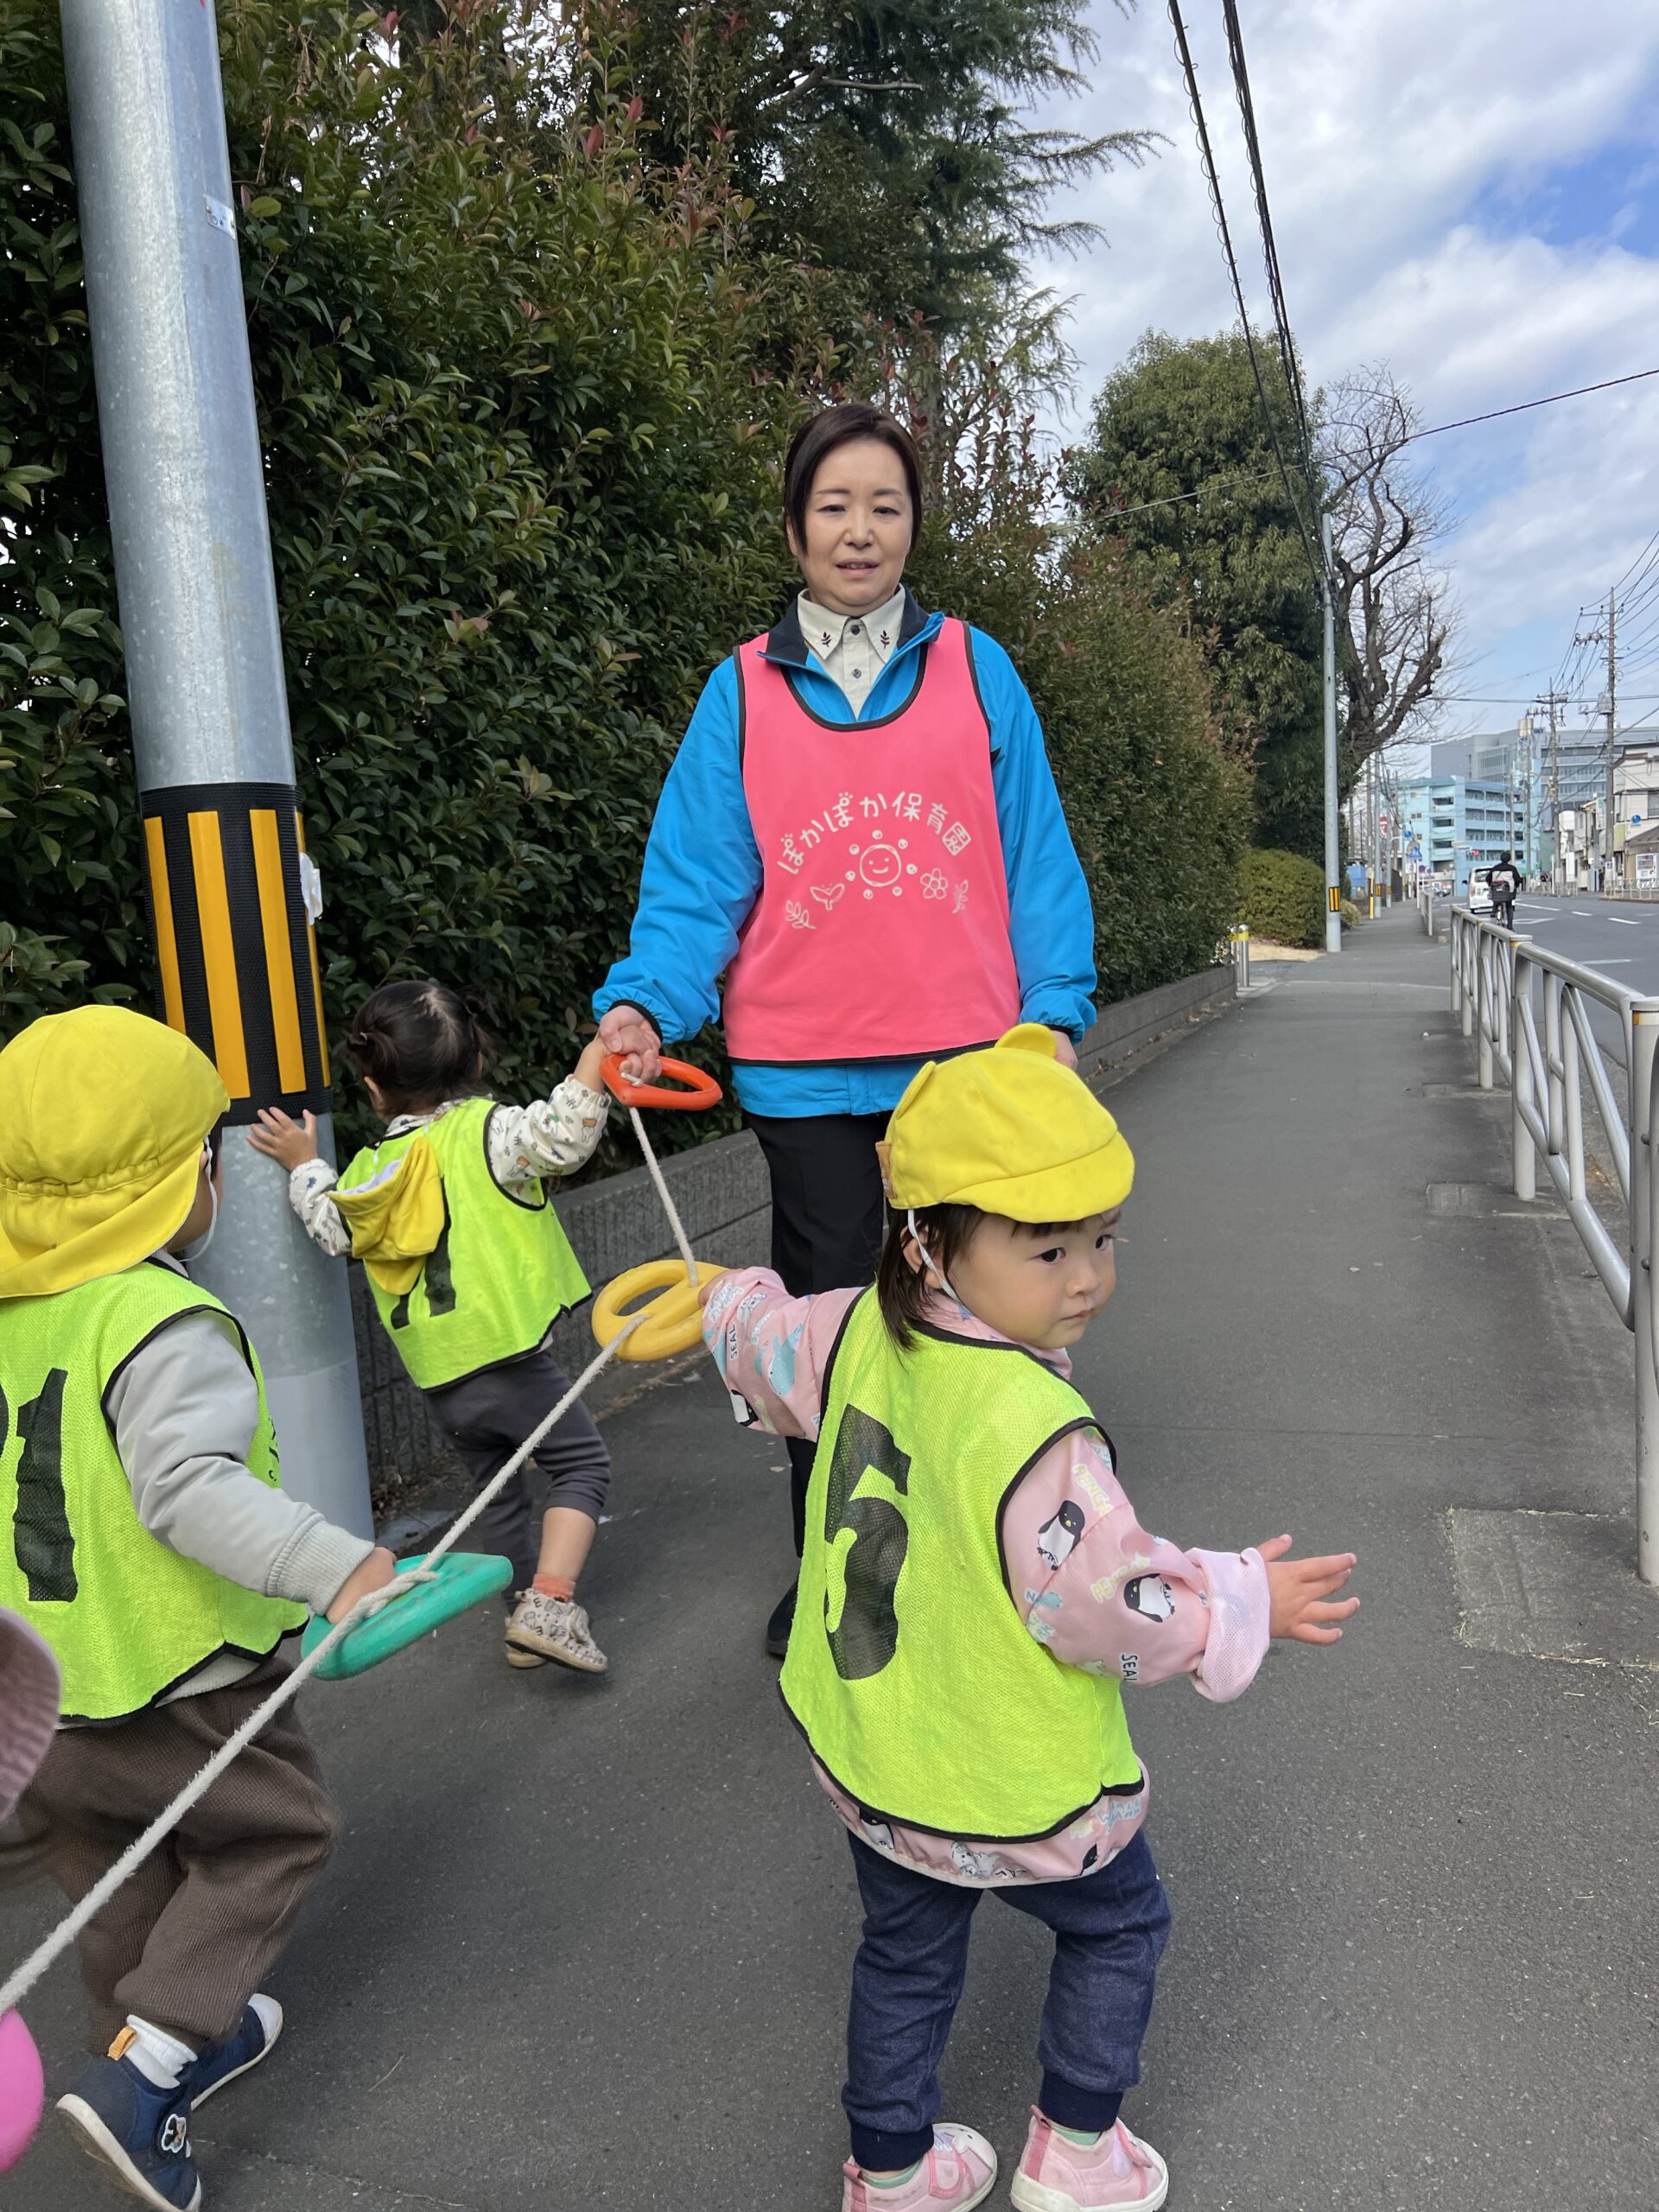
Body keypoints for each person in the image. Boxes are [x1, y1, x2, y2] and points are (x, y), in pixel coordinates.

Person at [700, 1025, 1359, 2212]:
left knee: (905, 1954)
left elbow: (762, 1335)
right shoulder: (1030, 1422)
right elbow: (1111, 1605)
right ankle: (1078, 2152)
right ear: (929, 1241)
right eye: (1048, 1248)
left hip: (879, 1753)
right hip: (1010, 1772)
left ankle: (892, 2172)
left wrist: (719, 1298)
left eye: (1103, 1239)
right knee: (1118, 1927)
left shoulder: (851, 1326)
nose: (1089, 1277)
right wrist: (1234, 1605)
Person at [594, 402, 1098, 1656]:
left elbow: (1037, 858)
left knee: (981, 1324)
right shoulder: (743, 689)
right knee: (826, 1341)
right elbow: (699, 876)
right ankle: (842, 1571)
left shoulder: (978, 668)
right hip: (806, 1081)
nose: (860, 530)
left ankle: (1005, 1558)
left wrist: (1055, 1019)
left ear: (915, 525)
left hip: (969, 1079)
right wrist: (647, 1001)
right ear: (793, 529)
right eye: (834, 507)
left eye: (884, 505)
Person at [0, 1006, 398, 2212]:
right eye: (205, 1158)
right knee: (274, 1833)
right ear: (181, 1183)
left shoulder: (16, 1322)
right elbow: (190, 1492)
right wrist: (338, 1564)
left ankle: (163, 2037)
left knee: (118, 1874)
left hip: (38, 1693)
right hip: (179, 1677)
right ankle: (152, 2071)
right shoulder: (159, 1321)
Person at [251, 979, 615, 1675]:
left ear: (373, 1088)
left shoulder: (370, 1172)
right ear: (476, 1063)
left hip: (439, 1377)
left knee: (499, 1487)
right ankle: (550, 1605)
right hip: (508, 1359)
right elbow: (566, 1132)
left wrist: (304, 1164)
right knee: (581, 1465)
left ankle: (517, 1616)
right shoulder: (492, 1135)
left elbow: (331, 1223)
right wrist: (596, 1053)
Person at [1488, 851, 1519, 928]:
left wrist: (1490, 884)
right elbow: (1517, 879)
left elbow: (1488, 878)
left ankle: (1494, 910)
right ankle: (1510, 926)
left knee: (1496, 899)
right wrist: (1516, 885)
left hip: (1496, 890)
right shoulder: (1512, 868)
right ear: (1509, 859)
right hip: (1507, 891)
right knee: (1509, 906)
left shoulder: (1495, 868)